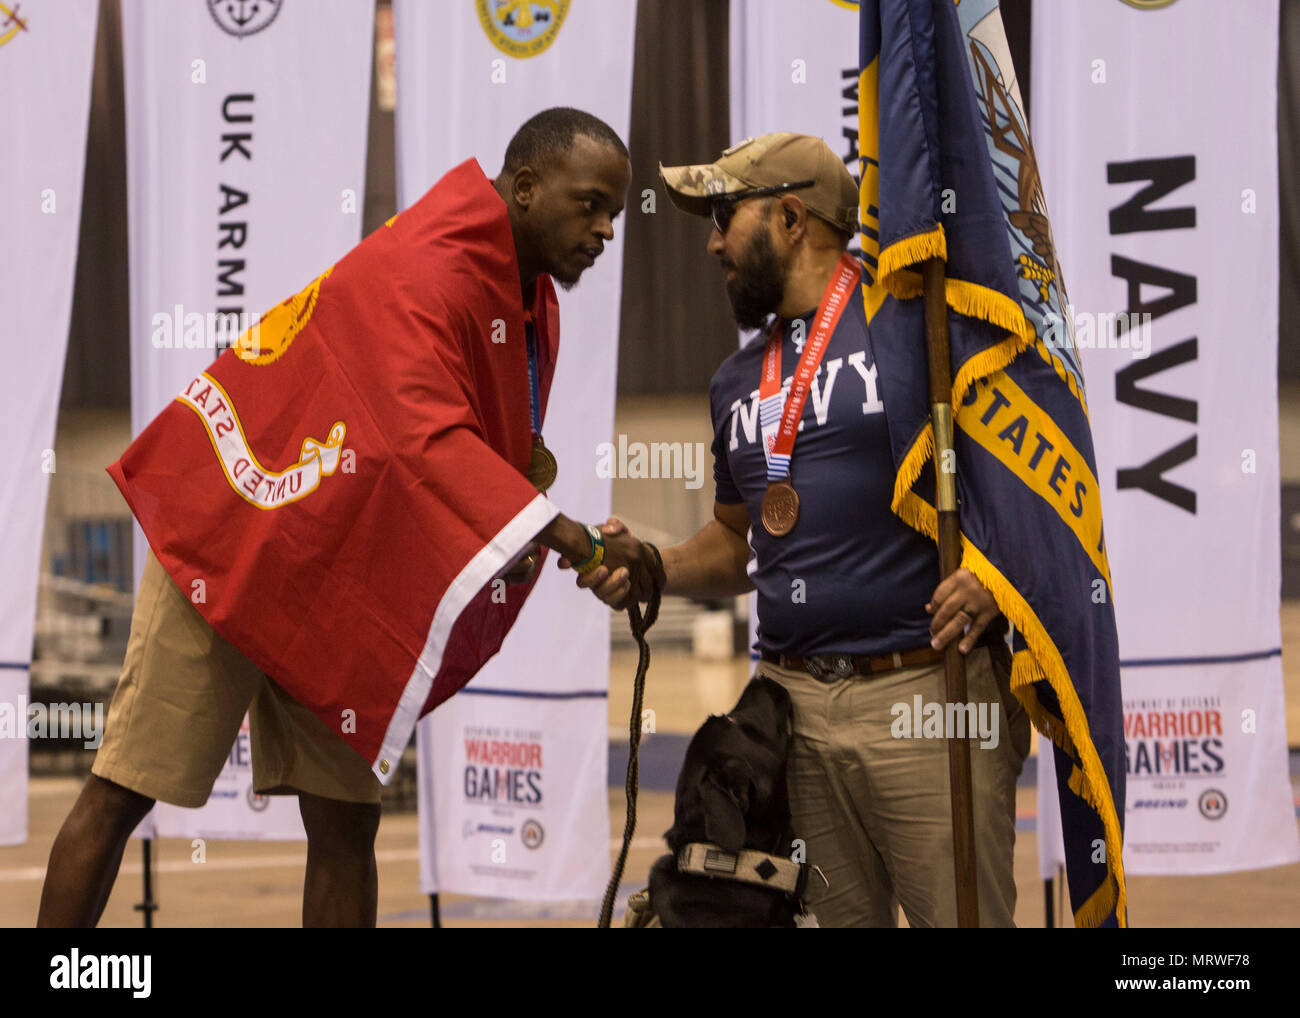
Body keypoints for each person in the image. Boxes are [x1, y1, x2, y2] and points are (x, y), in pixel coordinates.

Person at [37, 107, 659, 928]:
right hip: (243, 533)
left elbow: (490, 453)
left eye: (615, 211)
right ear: (526, 187)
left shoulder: (532, 298)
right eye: (591, 205)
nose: (607, 230)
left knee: (345, 825)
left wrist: (566, 536)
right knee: (122, 788)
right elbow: (422, 432)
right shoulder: (429, 262)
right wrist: (564, 533)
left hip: (340, 570)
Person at [577, 132, 1030, 928]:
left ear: (791, 217)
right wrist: (653, 565)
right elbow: (736, 539)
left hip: (927, 696)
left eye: (725, 214)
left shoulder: (921, 328)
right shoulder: (734, 381)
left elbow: (1029, 486)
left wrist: (999, 578)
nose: (713, 240)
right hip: (793, 716)